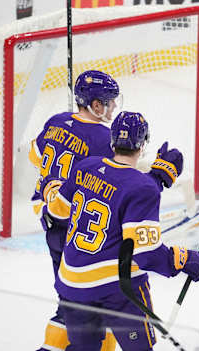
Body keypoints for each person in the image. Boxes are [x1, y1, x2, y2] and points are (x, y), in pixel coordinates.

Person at [39, 111, 199, 351]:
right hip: (117, 290)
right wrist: (184, 260)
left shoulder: (85, 167)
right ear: (143, 144)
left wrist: (51, 187)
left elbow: (58, 212)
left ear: (112, 141)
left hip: (72, 285)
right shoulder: (142, 187)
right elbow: (147, 255)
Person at [28, 69, 122, 351]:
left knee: (71, 300)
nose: (114, 106)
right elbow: (119, 177)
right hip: (79, 232)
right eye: (110, 101)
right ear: (95, 105)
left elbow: (35, 155)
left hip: (49, 220)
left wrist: (68, 130)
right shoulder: (102, 138)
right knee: (93, 304)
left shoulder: (56, 121)